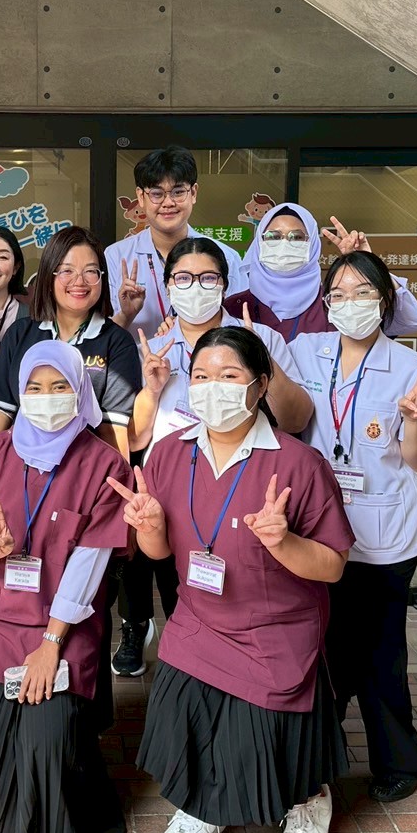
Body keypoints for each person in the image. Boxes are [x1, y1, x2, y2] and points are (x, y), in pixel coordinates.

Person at [113, 326, 354, 833]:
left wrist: (284, 542)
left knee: (267, 736)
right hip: (200, 622)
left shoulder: (299, 463)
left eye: (228, 376)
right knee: (185, 710)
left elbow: (334, 565)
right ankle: (203, 805)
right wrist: (149, 527)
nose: (212, 388)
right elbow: (160, 551)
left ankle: (307, 798)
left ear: (261, 384)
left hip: (276, 630)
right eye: (200, 377)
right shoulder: (170, 454)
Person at [0, 342, 131, 833]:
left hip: (62, 624)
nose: (47, 399)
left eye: (60, 387)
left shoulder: (104, 464)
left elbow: (89, 567)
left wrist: (51, 645)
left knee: (47, 740)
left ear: (80, 391)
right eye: (34, 388)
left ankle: (61, 832)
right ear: (19, 393)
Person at [288, 250, 417, 803]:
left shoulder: (410, 367)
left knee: (381, 655)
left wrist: (413, 421)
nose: (350, 303)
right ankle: (322, 757)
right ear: (326, 302)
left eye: (364, 293)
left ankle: (401, 759)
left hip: (384, 535)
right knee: (325, 650)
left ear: (384, 301)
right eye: (339, 293)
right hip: (317, 532)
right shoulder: (305, 352)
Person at [110, 236, 314, 677]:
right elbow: (137, 435)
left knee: (231, 588)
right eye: (183, 278)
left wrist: (261, 357)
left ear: (225, 283)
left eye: (207, 278)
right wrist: (152, 388)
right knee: (169, 580)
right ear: (168, 286)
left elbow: (296, 419)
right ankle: (174, 656)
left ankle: (226, 668)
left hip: (239, 488)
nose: (195, 287)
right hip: (171, 486)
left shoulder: (261, 337)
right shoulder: (154, 345)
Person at [0, 226, 141, 458]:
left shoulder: (117, 342)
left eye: (91, 271)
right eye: (67, 271)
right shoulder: (20, 334)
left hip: (84, 469)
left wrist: (116, 478)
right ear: (49, 276)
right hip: (20, 465)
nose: (79, 281)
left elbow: (113, 432)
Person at [104, 145, 246, 339]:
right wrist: (126, 315)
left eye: (178, 192)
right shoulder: (115, 257)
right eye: (157, 193)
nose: (168, 203)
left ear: (193, 193)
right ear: (140, 197)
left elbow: (239, 326)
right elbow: (101, 340)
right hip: (137, 358)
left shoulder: (226, 257)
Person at [225, 206, 417, 342]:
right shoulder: (234, 307)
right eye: (273, 236)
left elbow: (412, 320)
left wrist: (368, 265)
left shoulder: (336, 303)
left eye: (297, 237)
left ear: (313, 244)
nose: (284, 243)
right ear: (259, 244)